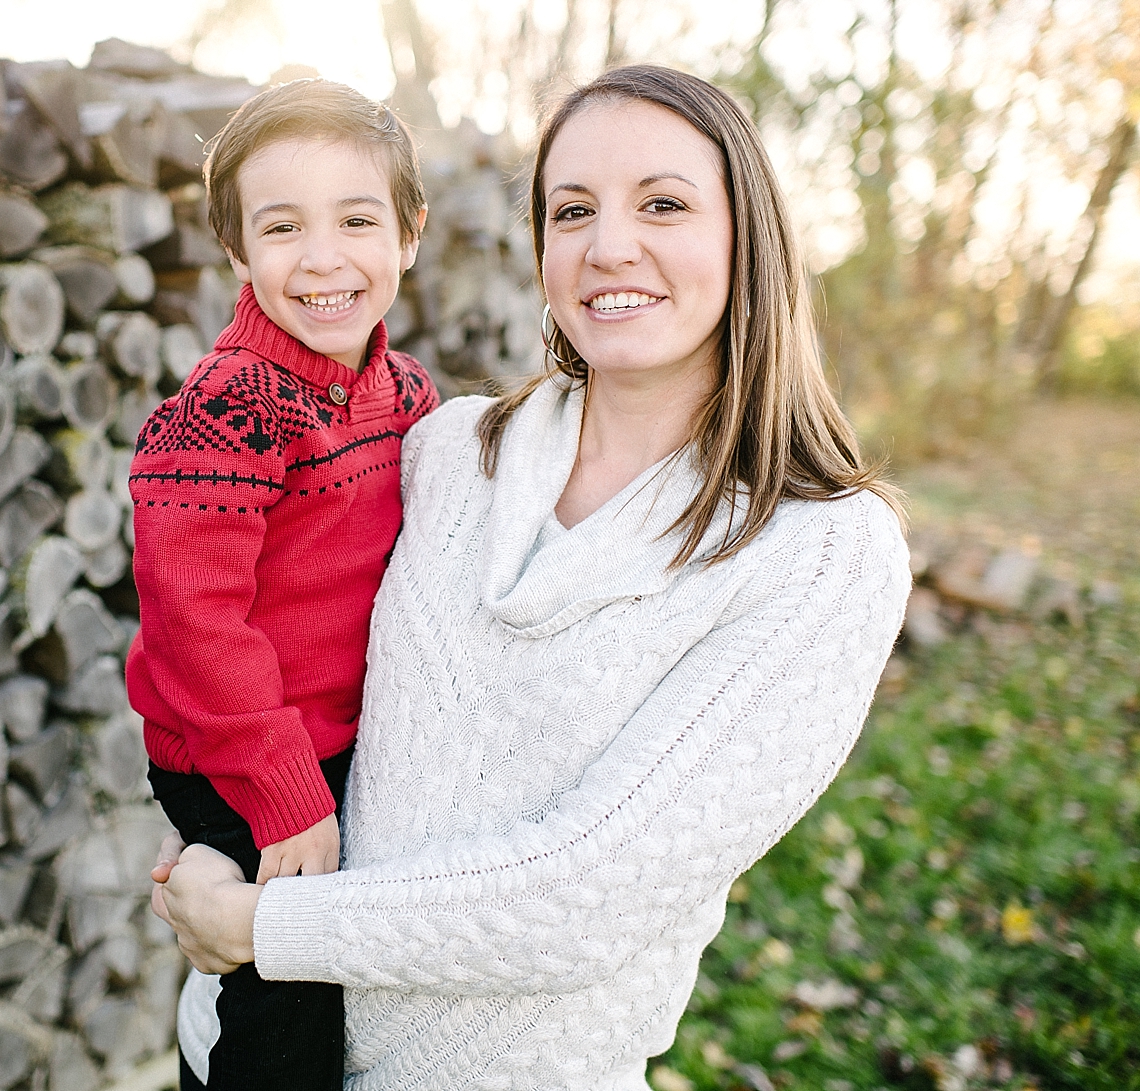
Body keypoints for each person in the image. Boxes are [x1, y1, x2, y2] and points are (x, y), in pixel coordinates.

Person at [150, 64, 913, 1090]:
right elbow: (245, 632)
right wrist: (216, 842)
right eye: (571, 209)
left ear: (748, 236)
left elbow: (583, 893)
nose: (608, 246)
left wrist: (260, 919)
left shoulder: (818, 550)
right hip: (234, 1045)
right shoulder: (445, 446)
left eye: (662, 203)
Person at [125, 78, 437, 1091]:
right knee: (286, 994)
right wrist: (283, 793)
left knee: (359, 973)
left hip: (340, 739)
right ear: (236, 251)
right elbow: (193, 627)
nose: (322, 257)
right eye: (281, 226)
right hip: (236, 748)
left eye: (356, 219)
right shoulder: (223, 412)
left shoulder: (404, 394)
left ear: (409, 234)